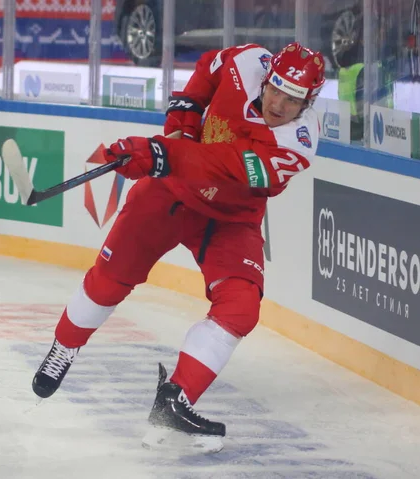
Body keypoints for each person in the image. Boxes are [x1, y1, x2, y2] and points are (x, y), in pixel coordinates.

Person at [31, 42, 325, 452]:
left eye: (292, 99)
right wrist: (180, 127)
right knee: (109, 281)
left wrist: (162, 152)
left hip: (230, 219)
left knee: (241, 307)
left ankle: (175, 400)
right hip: (170, 193)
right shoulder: (245, 61)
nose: (278, 103)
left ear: (308, 101)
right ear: (269, 74)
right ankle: (65, 346)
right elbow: (208, 67)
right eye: (275, 89)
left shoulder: (297, 142)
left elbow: (223, 165)